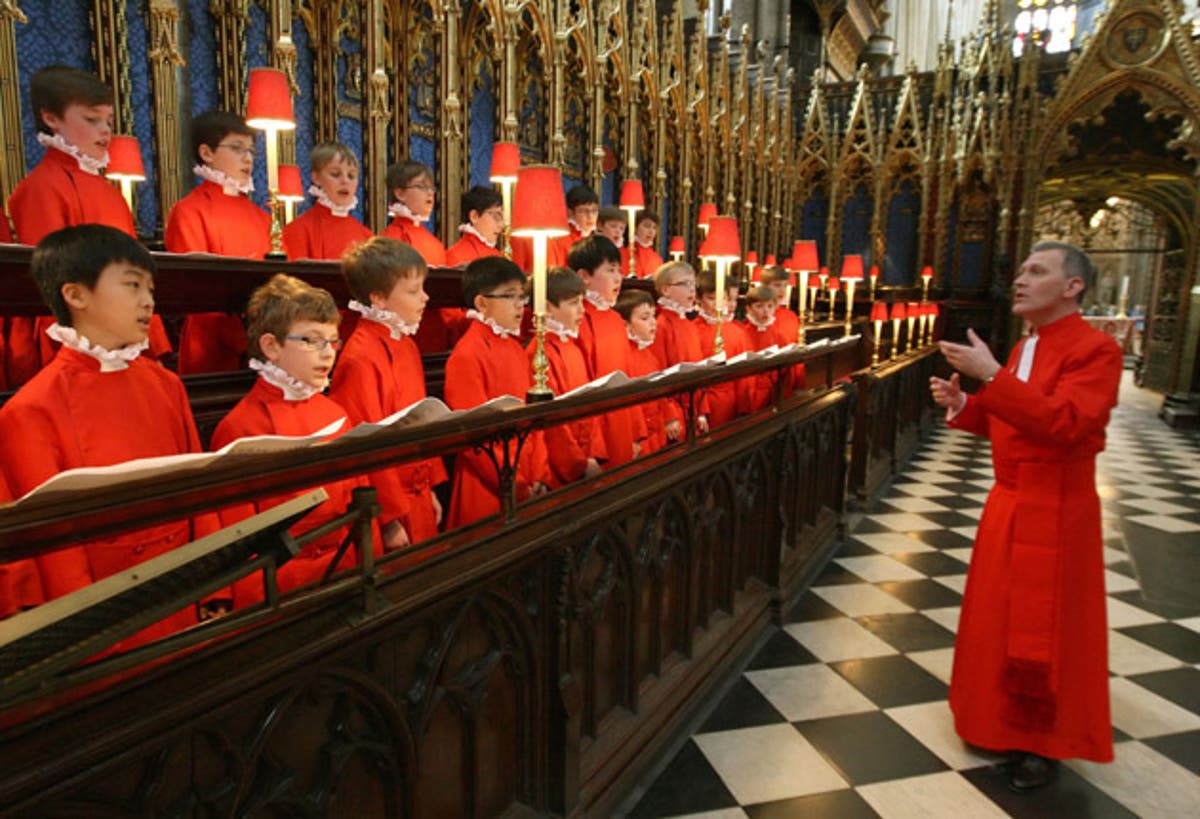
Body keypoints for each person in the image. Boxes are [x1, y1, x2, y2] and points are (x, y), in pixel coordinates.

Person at [930, 240, 1122, 791]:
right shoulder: (1026, 348)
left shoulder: (1096, 350)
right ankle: (995, 720)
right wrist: (964, 404)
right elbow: (1010, 420)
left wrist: (991, 375)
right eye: (1021, 270)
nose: (1020, 280)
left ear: (1072, 287)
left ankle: (1043, 743)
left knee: (1044, 629)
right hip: (1010, 501)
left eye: (1037, 272)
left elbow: (1067, 425)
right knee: (998, 617)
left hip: (1056, 509)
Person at [0, 225, 218, 644]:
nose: (148, 300)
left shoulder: (165, 384)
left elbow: (201, 488)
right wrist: (88, 627)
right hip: (107, 614)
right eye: (132, 285)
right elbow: (53, 543)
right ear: (76, 295)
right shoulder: (31, 409)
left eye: (150, 287)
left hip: (181, 590)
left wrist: (215, 582)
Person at [210, 274, 382, 606]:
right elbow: (240, 538)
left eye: (332, 341)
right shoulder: (241, 426)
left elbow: (360, 500)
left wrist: (372, 566)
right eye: (311, 340)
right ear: (271, 346)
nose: (327, 353)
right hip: (282, 587)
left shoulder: (335, 411)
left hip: (345, 571)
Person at [6, 65, 170, 387]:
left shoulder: (108, 191)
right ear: (51, 118)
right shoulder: (42, 187)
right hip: (79, 351)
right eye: (91, 120)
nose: (105, 131)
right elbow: (49, 285)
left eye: (108, 121)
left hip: (123, 340)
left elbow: (136, 273)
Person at [330, 238, 448, 547]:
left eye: (422, 287)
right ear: (379, 299)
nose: (425, 298)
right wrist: (389, 518)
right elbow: (366, 445)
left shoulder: (405, 344)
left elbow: (421, 421)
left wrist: (430, 485)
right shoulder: (360, 357)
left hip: (417, 492)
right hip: (392, 504)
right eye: (413, 291)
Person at [443, 257, 548, 527]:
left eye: (522, 296)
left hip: (526, 472)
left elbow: (533, 415)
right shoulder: (468, 354)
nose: (520, 305)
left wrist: (538, 472)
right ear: (481, 303)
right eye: (510, 296)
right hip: (489, 481)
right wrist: (515, 481)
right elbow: (473, 433)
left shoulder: (514, 347)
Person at [165, 110, 272, 374]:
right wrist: (243, 340)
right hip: (210, 344)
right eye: (237, 148)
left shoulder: (261, 217)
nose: (247, 158)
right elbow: (196, 287)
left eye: (251, 150)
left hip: (265, 343)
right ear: (207, 153)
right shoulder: (189, 211)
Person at [571, 235, 647, 466]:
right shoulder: (579, 319)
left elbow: (627, 375)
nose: (618, 278)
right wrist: (592, 447)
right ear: (584, 277)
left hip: (621, 421)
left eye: (619, 271)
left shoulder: (615, 319)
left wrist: (636, 431)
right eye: (610, 270)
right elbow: (583, 387)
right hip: (598, 430)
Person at [530, 267, 606, 487]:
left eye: (582, 302)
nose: (582, 310)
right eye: (573, 303)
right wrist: (578, 464)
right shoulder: (539, 353)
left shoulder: (573, 346)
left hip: (585, 453)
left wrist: (592, 453)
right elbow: (551, 418)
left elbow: (589, 402)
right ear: (548, 308)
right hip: (561, 465)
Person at [282, 141, 372, 261]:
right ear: (316, 178)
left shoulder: (367, 237)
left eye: (351, 176)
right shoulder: (298, 230)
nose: (345, 181)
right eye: (335, 174)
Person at [653, 260, 710, 433]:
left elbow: (698, 368)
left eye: (693, 283)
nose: (692, 289)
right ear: (666, 290)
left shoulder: (688, 323)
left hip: (693, 404)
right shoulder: (661, 324)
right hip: (675, 412)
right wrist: (668, 415)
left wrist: (701, 411)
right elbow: (658, 372)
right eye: (684, 284)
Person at [694, 269, 752, 427]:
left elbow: (743, 375)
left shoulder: (736, 332)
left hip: (729, 402)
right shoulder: (692, 330)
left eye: (724, 298)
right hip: (702, 402)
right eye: (712, 298)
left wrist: (744, 409)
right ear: (698, 299)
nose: (719, 304)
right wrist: (699, 412)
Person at [616, 289, 671, 454]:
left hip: (656, 432)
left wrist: (668, 418)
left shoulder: (648, 353)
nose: (653, 323)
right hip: (641, 437)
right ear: (626, 324)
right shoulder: (624, 356)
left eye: (653, 316)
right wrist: (636, 436)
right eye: (645, 318)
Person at [382, 160, 445, 266]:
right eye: (421, 187)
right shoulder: (389, 242)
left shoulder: (436, 243)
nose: (430, 193)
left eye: (431, 188)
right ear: (400, 194)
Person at [739, 285, 790, 411]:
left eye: (769, 306)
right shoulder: (742, 332)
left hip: (772, 391)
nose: (765, 311)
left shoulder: (779, 335)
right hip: (748, 392)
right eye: (759, 306)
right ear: (749, 309)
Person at [446, 185, 504, 266]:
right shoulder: (456, 256)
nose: (501, 225)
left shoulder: (498, 255)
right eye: (496, 216)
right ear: (474, 216)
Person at [623, 209, 663, 279]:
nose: (651, 231)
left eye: (654, 228)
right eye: (647, 226)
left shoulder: (657, 258)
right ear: (635, 228)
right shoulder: (625, 253)